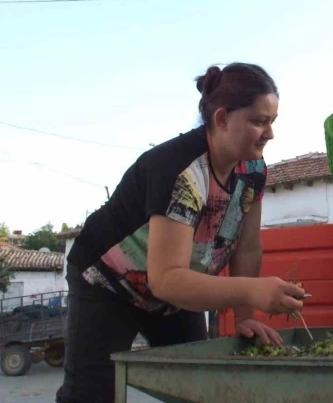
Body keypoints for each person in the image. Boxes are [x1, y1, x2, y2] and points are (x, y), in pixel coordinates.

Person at [56, 63, 307, 403]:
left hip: (178, 288)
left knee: (196, 385)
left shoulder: (253, 171)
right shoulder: (182, 172)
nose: (269, 134)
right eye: (259, 122)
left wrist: (245, 317)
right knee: (94, 393)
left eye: (272, 121)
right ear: (221, 119)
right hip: (107, 283)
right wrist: (253, 290)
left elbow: (246, 249)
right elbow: (166, 279)